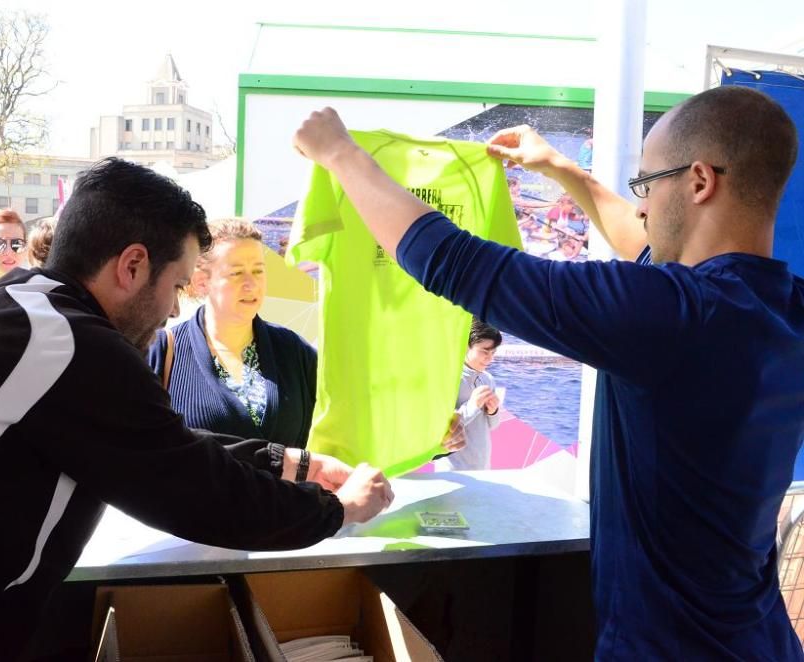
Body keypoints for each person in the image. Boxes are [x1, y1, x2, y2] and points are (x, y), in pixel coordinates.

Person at [0, 157, 393, 661]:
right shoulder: (65, 344)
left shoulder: (17, 313)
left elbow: (148, 443)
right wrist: (334, 510)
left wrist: (289, 463)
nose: (170, 312)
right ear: (131, 266)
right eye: (177, 284)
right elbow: (191, 490)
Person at [292, 87, 804, 659]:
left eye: (646, 185)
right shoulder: (782, 307)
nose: (639, 206)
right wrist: (563, 170)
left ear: (700, 182)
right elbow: (651, 244)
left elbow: (454, 261)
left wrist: (339, 153)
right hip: (762, 639)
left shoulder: (670, 314)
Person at [148, 218, 316, 448]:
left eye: (258, 271)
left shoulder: (294, 351)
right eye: (236, 273)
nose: (251, 284)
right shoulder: (162, 352)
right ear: (201, 281)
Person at [438, 320, 502, 471]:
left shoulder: (488, 379)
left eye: (493, 353)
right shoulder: (449, 379)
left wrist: (494, 411)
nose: (490, 358)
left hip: (483, 466)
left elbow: (493, 426)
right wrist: (473, 404)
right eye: (485, 351)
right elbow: (442, 429)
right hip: (453, 470)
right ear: (466, 346)